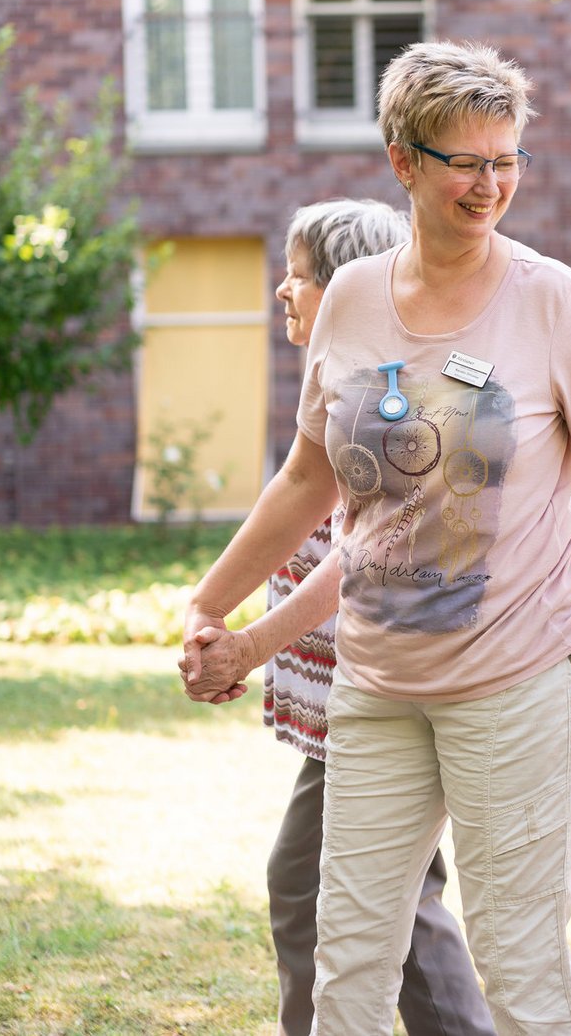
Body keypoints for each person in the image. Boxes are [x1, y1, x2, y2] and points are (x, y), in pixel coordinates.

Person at [179, 40, 571, 1035]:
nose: (490, 184)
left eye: (507, 160)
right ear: (402, 160)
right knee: (349, 962)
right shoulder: (356, 299)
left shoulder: (551, 299)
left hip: (516, 681)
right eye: (466, 161)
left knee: (519, 961)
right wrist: (211, 604)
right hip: (375, 684)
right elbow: (307, 474)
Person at [212, 198, 496, 1036]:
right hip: (368, 697)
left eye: (297, 273)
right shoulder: (347, 383)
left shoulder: (386, 391)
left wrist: (246, 641)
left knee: (314, 888)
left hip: (383, 693)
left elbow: (363, 552)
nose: (282, 290)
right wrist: (213, 607)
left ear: (342, 288)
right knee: (392, 894)